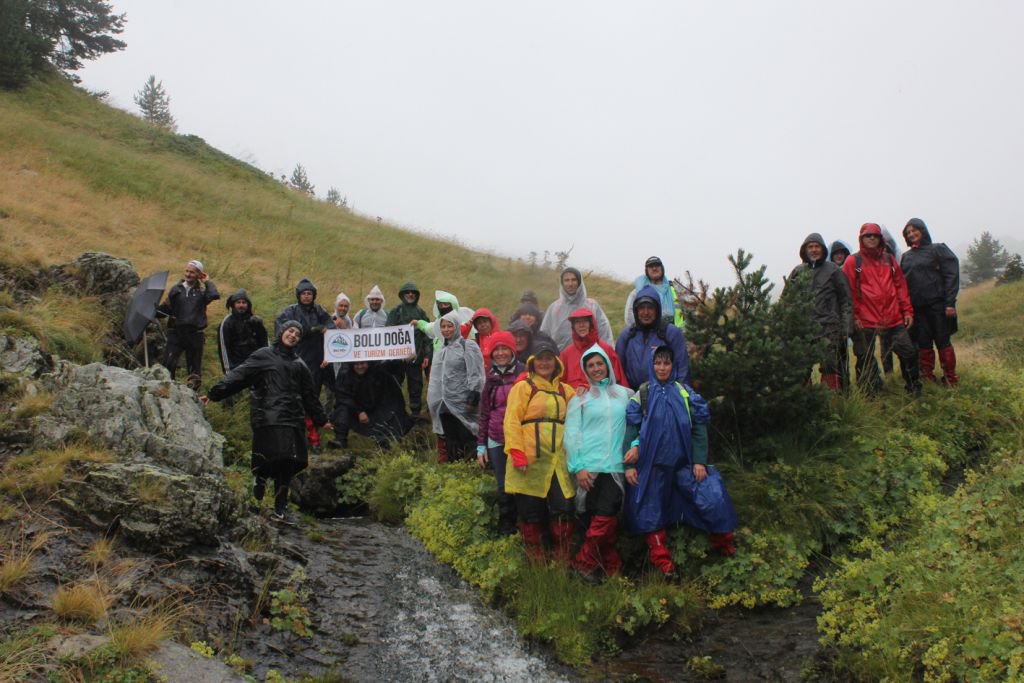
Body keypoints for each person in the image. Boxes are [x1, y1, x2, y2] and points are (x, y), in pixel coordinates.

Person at [624, 346, 738, 581]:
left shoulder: (686, 393)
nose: (662, 368)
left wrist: (699, 461)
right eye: (658, 363)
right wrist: (630, 465)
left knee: (712, 495)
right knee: (647, 507)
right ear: (651, 365)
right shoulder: (642, 395)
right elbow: (631, 430)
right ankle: (663, 562)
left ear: (673, 366)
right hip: (652, 465)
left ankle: (723, 546)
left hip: (684, 463)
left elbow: (699, 429)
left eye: (666, 363)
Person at [201, 321, 329, 522]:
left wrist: (322, 420)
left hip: (293, 418)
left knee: (292, 461)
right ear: (281, 333)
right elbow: (239, 376)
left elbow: (309, 396)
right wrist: (214, 393)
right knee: (276, 458)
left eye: (297, 334)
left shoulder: (300, 364)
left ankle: (280, 507)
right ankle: (261, 479)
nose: (293, 335)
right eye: (290, 331)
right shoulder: (263, 355)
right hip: (268, 416)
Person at [503, 334, 576, 564]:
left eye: (549, 358)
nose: (545, 363)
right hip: (528, 458)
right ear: (533, 361)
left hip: (558, 461)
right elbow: (512, 419)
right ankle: (536, 557)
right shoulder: (523, 387)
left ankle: (561, 557)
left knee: (562, 508)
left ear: (556, 362)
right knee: (530, 510)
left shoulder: (566, 391)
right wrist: (516, 452)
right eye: (540, 359)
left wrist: (584, 390)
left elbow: (583, 411)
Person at [564, 345, 631, 581]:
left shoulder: (625, 394)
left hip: (615, 466)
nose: (595, 369)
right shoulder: (580, 398)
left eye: (599, 364)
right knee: (594, 519)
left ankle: (582, 564)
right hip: (588, 468)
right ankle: (612, 569)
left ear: (608, 365)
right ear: (585, 369)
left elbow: (639, 424)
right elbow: (571, 434)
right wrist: (578, 466)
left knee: (607, 515)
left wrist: (636, 447)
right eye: (590, 365)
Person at [842, 223, 921, 395]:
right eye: (867, 236)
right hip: (865, 319)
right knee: (865, 358)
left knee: (908, 353)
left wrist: (907, 311)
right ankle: (870, 393)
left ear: (880, 239)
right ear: (861, 238)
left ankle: (914, 388)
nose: (871, 238)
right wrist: (855, 317)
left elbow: (900, 286)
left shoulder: (889, 259)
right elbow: (849, 293)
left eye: (875, 235)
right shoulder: (853, 261)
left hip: (893, 316)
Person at [785, 234, 853, 391]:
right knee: (801, 369)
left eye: (817, 246)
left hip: (830, 328)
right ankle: (806, 403)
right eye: (810, 247)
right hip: (804, 330)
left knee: (831, 366)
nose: (814, 250)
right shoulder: (798, 271)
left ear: (822, 249)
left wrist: (846, 327)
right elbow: (787, 301)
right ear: (805, 250)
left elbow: (846, 300)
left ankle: (832, 402)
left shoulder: (833, 270)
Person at [901, 218, 960, 386]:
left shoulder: (938, 249)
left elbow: (951, 275)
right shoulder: (906, 257)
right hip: (918, 310)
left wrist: (950, 303)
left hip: (938, 307)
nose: (911, 234)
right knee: (923, 344)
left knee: (943, 342)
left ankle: (950, 377)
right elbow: (902, 284)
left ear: (923, 230)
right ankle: (927, 377)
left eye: (914, 230)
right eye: (908, 232)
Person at [275, 278, 333, 452]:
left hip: (316, 362)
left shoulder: (320, 310)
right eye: (304, 293)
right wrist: (314, 329)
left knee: (312, 400)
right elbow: (281, 331)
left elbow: (332, 330)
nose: (307, 297)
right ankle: (292, 439)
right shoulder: (289, 312)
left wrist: (329, 347)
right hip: (294, 361)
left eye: (310, 293)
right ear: (298, 295)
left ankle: (314, 438)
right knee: (292, 400)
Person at [476, 331, 524, 536]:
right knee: (503, 485)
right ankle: (507, 526)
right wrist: (481, 445)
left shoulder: (524, 374)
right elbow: (485, 412)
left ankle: (526, 525)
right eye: (497, 349)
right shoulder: (490, 377)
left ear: (512, 350)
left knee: (522, 483)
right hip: (495, 438)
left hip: (519, 439)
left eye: (505, 348)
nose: (501, 353)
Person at [427, 310, 485, 462]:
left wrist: (474, 394)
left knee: (468, 437)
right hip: (444, 405)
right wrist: (433, 402)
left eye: (449, 326)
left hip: (464, 403)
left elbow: (476, 372)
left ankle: (472, 471)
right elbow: (435, 379)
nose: (446, 330)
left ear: (457, 327)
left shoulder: (468, 346)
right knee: (451, 441)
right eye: (443, 326)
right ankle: (455, 471)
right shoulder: (441, 352)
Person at [158, 259, 220, 389]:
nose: (188, 274)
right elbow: (166, 310)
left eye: (192, 272)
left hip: (195, 334)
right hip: (176, 333)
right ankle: (169, 391)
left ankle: (192, 395)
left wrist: (207, 280)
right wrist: (153, 311)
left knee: (194, 370)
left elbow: (214, 294)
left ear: (199, 274)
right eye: (186, 271)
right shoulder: (176, 289)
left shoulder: (202, 293)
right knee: (169, 364)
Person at [616, 284, 691, 390]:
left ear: (657, 309)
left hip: (664, 395)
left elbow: (683, 369)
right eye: (641, 308)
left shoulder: (671, 333)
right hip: (633, 397)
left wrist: (679, 396)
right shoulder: (627, 335)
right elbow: (618, 371)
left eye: (650, 308)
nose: (646, 312)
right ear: (636, 310)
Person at [330, 361, 412, 449]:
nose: (360, 367)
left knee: (392, 410)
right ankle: (340, 439)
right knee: (342, 409)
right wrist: (359, 411)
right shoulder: (345, 373)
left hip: (377, 406)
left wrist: (404, 360)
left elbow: (394, 367)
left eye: (362, 364)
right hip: (355, 408)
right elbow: (343, 396)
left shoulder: (378, 370)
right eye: (356, 364)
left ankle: (386, 440)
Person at [540, 267, 614, 350]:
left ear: (579, 282)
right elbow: (544, 335)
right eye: (567, 280)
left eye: (574, 280)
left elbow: (604, 333)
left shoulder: (592, 306)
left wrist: (606, 354)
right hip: (561, 359)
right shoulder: (554, 308)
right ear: (562, 283)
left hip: (590, 358)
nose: (570, 284)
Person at [385, 282, 430, 415]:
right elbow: (388, 333)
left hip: (416, 359)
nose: (410, 294)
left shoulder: (421, 312)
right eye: (407, 292)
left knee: (416, 387)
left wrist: (427, 355)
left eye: (413, 292)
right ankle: (395, 412)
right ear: (402, 294)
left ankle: (415, 414)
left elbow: (427, 335)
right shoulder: (396, 311)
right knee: (395, 385)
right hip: (397, 359)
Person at [560, 308, 627, 392]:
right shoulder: (566, 354)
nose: (581, 325)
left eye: (584, 321)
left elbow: (619, 381)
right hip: (575, 402)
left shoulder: (606, 349)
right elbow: (560, 384)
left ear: (591, 324)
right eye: (577, 322)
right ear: (573, 326)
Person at [624, 256, 683, 328]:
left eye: (657, 265)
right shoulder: (638, 292)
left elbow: (688, 311)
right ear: (646, 270)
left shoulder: (675, 290)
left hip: (675, 334)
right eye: (651, 266)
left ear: (662, 268)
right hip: (648, 336)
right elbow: (629, 317)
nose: (654, 268)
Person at [217, 289, 268, 372]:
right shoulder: (227, 323)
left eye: (244, 302)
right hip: (237, 367)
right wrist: (228, 370)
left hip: (256, 364)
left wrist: (267, 361)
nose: (241, 305)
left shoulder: (255, 321)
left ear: (248, 305)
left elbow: (264, 342)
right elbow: (224, 348)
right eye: (238, 302)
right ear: (233, 305)